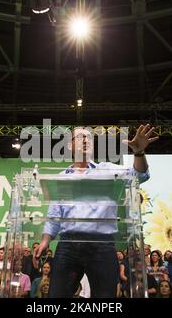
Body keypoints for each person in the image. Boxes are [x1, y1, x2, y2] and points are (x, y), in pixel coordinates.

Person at [33, 125, 157, 298]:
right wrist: (45, 241)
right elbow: (54, 216)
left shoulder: (108, 170)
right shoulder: (62, 176)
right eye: (80, 137)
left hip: (102, 246)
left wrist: (138, 152)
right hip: (68, 245)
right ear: (70, 145)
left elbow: (140, 175)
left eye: (89, 138)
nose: (86, 140)